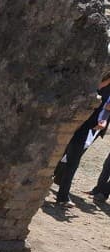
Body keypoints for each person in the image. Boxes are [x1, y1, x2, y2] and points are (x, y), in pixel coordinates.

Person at [53, 72, 110, 207]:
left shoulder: (106, 90)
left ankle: (62, 196)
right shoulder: (89, 82)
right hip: (70, 125)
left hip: (86, 129)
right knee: (59, 156)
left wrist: (103, 120)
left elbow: (105, 109)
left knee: (72, 162)